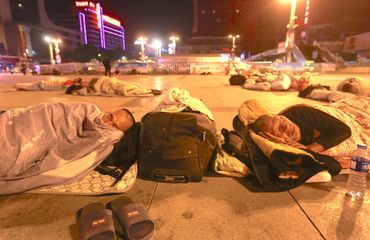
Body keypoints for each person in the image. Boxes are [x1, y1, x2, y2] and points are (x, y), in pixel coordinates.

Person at [0, 102, 135, 194]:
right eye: (110, 116)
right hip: (17, 124)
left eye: (115, 126)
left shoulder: (106, 141)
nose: (106, 122)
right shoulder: (87, 109)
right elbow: (53, 112)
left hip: (27, 145)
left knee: (8, 157)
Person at [249, 97, 370, 168]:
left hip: (349, 113)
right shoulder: (289, 146)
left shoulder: (298, 112)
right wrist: (304, 150)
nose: (286, 126)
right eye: (279, 130)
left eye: (281, 120)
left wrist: (312, 148)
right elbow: (331, 166)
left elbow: (344, 130)